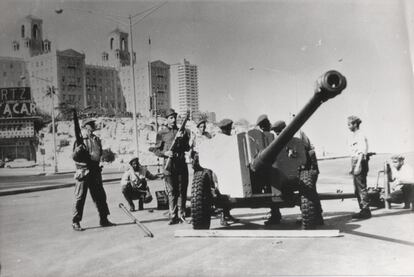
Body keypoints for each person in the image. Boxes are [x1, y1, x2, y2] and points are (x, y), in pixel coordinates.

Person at [270, 120, 323, 225]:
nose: (277, 135)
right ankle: (310, 216)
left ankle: (317, 217)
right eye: (276, 133)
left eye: (278, 132)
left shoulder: (298, 136)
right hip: (296, 169)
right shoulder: (282, 141)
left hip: (309, 166)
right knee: (306, 194)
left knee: (310, 192)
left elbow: (308, 150)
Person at [71, 119, 115, 231]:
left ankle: (104, 219)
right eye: (89, 125)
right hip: (84, 170)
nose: (92, 126)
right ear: (85, 127)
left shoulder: (96, 139)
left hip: (95, 170)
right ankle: (75, 221)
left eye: (92, 124)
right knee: (80, 197)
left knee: (100, 196)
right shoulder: (80, 140)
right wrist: (78, 151)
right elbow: (74, 157)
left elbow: (99, 154)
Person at [153, 108, 191, 225]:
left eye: (175, 117)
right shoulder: (161, 133)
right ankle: (173, 216)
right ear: (166, 120)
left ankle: (182, 215)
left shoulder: (183, 131)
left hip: (181, 164)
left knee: (182, 191)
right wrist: (165, 153)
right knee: (171, 192)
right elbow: (156, 150)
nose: (173, 120)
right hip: (169, 166)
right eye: (171, 117)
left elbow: (187, 148)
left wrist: (183, 138)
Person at [215, 118, 240, 226]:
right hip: (220, 171)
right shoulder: (218, 140)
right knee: (222, 193)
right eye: (228, 129)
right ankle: (222, 217)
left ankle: (227, 214)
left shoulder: (230, 139)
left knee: (228, 193)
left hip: (229, 170)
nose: (229, 130)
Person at [347, 115, 371, 219]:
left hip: (359, 161)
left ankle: (366, 211)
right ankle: (363, 209)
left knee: (361, 187)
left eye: (349, 124)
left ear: (355, 124)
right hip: (355, 161)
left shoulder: (360, 135)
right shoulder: (354, 136)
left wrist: (357, 166)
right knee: (357, 189)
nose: (348, 127)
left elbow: (361, 152)